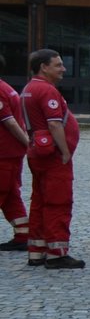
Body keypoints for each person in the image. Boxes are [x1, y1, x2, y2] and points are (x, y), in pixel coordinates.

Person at [21, 48, 83, 269]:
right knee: (58, 202)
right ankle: (57, 254)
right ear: (43, 67)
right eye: (58, 65)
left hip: (38, 153)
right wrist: (66, 151)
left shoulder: (29, 88)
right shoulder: (46, 91)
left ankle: (37, 251)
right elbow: (54, 123)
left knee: (39, 201)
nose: (63, 68)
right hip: (53, 157)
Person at [0, 55, 29, 251]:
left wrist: (28, 142)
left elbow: (9, 122)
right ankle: (23, 234)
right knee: (10, 195)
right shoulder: (6, 87)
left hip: (3, 152)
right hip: (11, 152)